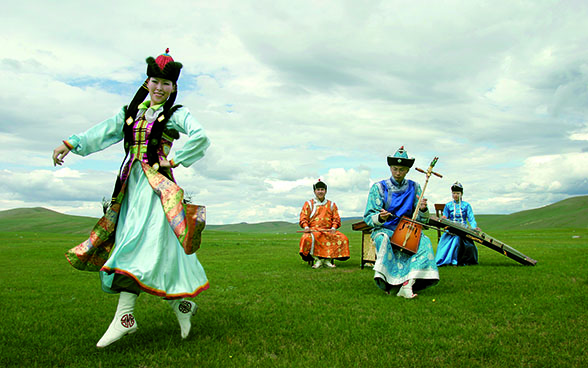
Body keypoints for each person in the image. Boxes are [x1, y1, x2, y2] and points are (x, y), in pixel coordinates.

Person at [52, 49, 210, 348]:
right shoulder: (131, 112)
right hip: (129, 188)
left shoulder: (177, 114)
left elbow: (201, 136)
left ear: (173, 88)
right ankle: (183, 306)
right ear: (147, 82)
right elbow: (103, 131)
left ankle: (125, 318)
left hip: (157, 188)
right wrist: (70, 143)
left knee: (134, 244)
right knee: (157, 249)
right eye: (155, 81)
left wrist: (174, 161)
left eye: (166, 83)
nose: (160, 88)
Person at [363, 147, 439, 298]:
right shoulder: (378, 188)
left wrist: (423, 209)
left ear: (407, 171)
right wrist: (381, 217)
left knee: (424, 242)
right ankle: (388, 283)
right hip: (385, 229)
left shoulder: (415, 187)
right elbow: (368, 216)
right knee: (383, 240)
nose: (397, 173)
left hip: (407, 230)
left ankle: (408, 284)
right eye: (395, 169)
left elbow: (421, 221)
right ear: (390, 168)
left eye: (402, 169)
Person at [299, 180, 350, 268]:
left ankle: (328, 260)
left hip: (329, 230)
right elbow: (303, 217)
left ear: (325, 191)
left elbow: (336, 218)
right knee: (306, 238)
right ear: (314, 191)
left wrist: (334, 228)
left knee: (343, 238)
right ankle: (317, 260)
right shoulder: (309, 204)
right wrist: (306, 227)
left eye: (322, 189)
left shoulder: (331, 204)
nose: (320, 191)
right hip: (313, 230)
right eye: (318, 189)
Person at [434, 182, 480, 266]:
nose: (455, 195)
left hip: (464, 229)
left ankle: (461, 260)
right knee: (456, 239)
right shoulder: (448, 205)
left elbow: (471, 219)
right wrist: (443, 217)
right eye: (454, 193)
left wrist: (474, 228)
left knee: (461, 239)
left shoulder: (466, 205)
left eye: (457, 193)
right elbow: (445, 216)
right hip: (451, 229)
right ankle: (451, 260)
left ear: (461, 194)